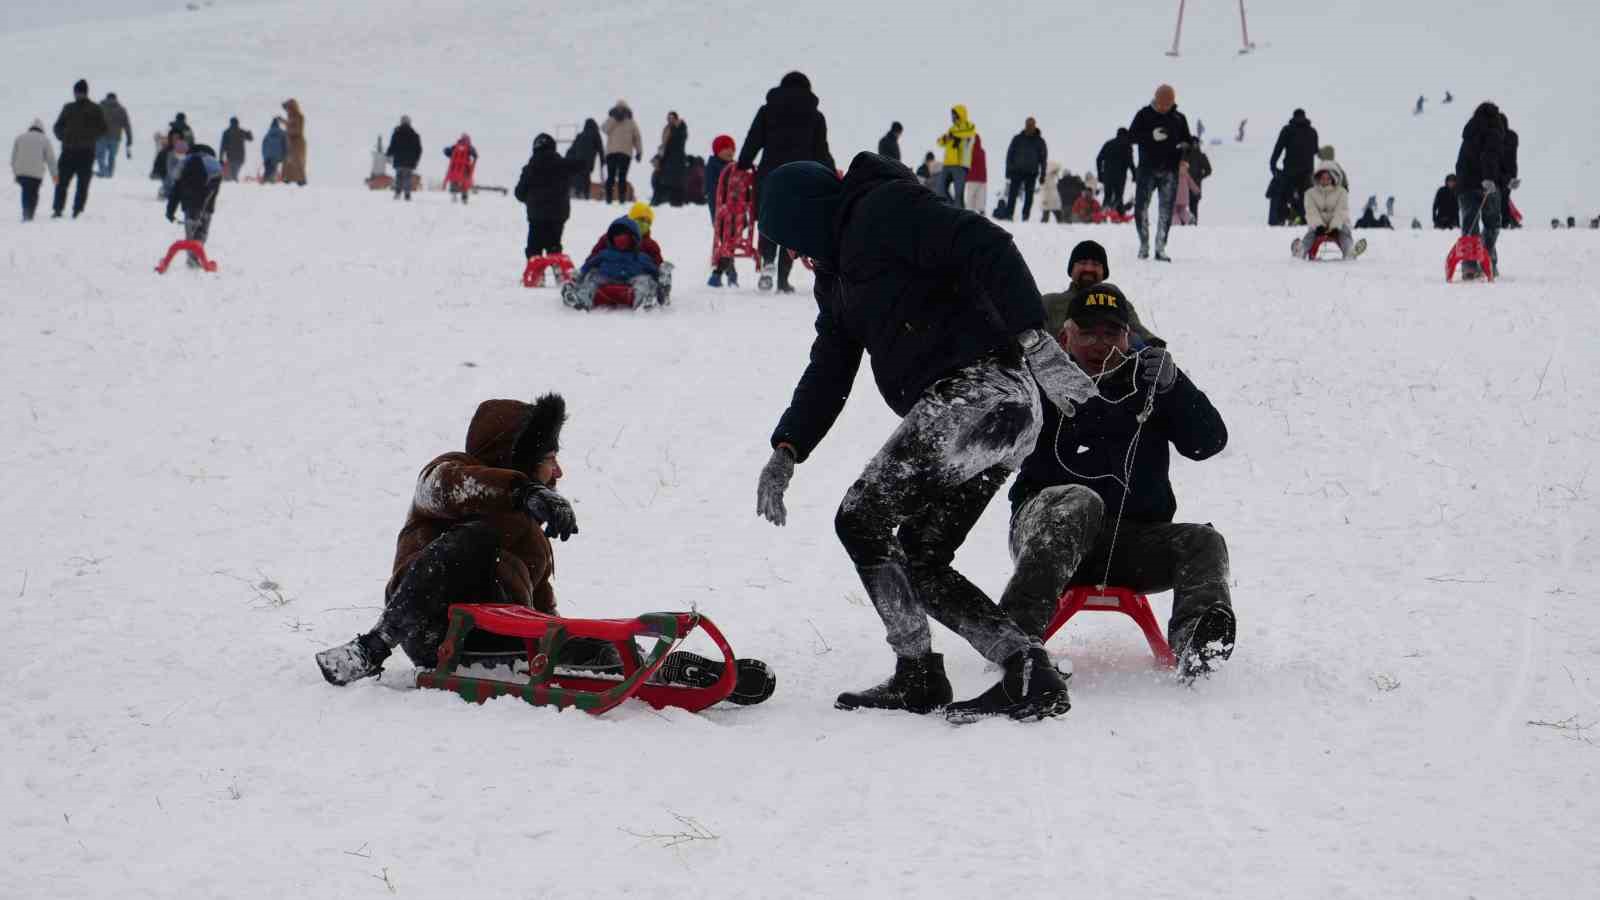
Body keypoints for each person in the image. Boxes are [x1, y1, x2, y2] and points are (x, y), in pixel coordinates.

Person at [752, 153, 1100, 724]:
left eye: (791, 240)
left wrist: (1035, 340)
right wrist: (787, 447)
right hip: (990, 414)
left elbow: (986, 244)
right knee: (920, 558)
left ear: (807, 217)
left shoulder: (884, 208)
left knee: (861, 519)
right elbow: (829, 367)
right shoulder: (835, 279)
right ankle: (1025, 669)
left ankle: (917, 671)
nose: (793, 254)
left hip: (984, 392)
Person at [314, 395, 776, 702]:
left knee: (581, 641)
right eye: (549, 460)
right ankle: (372, 648)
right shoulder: (447, 477)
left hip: (489, 639)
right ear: (515, 461)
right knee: (477, 540)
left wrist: (568, 640)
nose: (559, 472)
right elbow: (454, 486)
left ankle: (668, 673)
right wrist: (522, 490)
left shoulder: (528, 533)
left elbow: (540, 610)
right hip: (428, 627)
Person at [1004, 281, 1234, 679]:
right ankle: (1013, 641)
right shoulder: (1040, 383)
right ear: (1065, 337)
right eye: (1088, 333)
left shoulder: (1151, 386)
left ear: (1129, 339)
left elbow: (1209, 443)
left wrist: (1176, 388)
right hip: (1045, 536)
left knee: (1204, 541)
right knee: (1079, 502)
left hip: (1131, 545)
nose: (1100, 344)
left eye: (1111, 333)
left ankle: (1198, 645)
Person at [737, 71, 835, 294]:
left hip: (770, 174)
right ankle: (783, 278)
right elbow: (821, 151)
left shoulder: (767, 111)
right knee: (792, 224)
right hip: (801, 177)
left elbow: (753, 139)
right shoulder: (815, 116)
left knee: (770, 217)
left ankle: (767, 262)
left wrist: (743, 163)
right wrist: (831, 173)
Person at [1039, 240, 1159, 344]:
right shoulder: (1050, 303)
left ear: (1103, 272)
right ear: (1072, 269)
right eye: (1082, 263)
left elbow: (1138, 331)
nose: (1089, 268)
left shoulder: (1115, 301)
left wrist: (1153, 345)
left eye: (1095, 264)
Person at [1127, 85, 1192, 260]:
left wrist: (1184, 155)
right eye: (1161, 103)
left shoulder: (1179, 119)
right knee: (1141, 208)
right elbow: (1130, 137)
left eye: (1167, 104)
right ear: (1155, 99)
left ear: (1173, 102)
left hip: (1170, 170)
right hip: (1147, 170)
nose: (1164, 107)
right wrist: (1151, 136)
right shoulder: (1144, 115)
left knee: (1166, 211)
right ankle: (1144, 245)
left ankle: (1160, 247)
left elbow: (1188, 141)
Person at [562, 216, 664, 311]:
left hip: (632, 278)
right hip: (607, 277)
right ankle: (582, 300)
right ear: (611, 238)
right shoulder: (605, 253)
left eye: (624, 234)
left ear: (633, 237)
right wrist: (580, 274)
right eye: (617, 235)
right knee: (592, 278)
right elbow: (590, 264)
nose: (620, 238)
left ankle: (643, 302)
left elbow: (653, 270)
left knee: (644, 281)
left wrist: (660, 281)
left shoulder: (640, 256)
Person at [1454, 101, 1507, 277]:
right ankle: (1487, 261)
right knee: (1492, 223)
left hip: (1465, 185)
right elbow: (1489, 155)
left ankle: (1469, 266)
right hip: (1485, 185)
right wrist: (1489, 178)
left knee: (1470, 224)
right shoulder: (1493, 129)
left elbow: (1461, 162)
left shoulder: (1469, 132)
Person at [514, 133, 585, 259]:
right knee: (554, 246)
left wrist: (530, 199)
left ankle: (535, 268)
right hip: (558, 215)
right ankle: (558, 266)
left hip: (537, 216)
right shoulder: (563, 164)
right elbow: (580, 165)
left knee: (534, 248)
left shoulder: (530, 168)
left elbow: (519, 193)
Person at [51, 79, 107, 219]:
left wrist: (90, 136)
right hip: (69, 151)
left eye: (79, 92)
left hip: (85, 152)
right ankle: (58, 209)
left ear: (84, 92)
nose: (77, 94)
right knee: (62, 182)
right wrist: (63, 136)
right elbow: (57, 126)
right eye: (76, 92)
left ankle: (77, 210)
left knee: (82, 184)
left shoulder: (94, 109)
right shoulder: (68, 107)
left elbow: (103, 128)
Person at [165, 143, 223, 264]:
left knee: (191, 233)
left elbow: (176, 189)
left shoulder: (186, 162)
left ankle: (193, 258)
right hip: (206, 206)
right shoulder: (213, 164)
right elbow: (213, 191)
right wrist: (205, 206)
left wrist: (170, 210)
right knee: (201, 233)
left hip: (189, 205)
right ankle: (195, 256)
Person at [1298, 161, 1367, 259]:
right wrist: (1318, 226)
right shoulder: (1309, 194)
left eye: (1328, 178)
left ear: (1333, 178)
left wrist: (1335, 227)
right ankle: (1301, 251)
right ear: (1318, 178)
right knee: (1311, 235)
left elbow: (1341, 210)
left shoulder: (1342, 192)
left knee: (1344, 233)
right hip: (1319, 225)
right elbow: (1311, 212)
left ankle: (1349, 251)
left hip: (1338, 225)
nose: (1325, 181)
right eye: (1322, 178)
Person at [1269, 109, 1319, 225]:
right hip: (1307, 173)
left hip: (1289, 172)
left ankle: (1280, 220)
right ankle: (1303, 221)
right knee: (1304, 200)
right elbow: (1315, 150)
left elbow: (1278, 148)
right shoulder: (1312, 131)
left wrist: (1273, 165)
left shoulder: (1287, 130)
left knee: (1282, 196)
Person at [705, 135, 739, 287]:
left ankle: (723, 274)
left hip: (736, 211)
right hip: (721, 212)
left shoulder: (734, 166)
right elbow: (713, 190)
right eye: (725, 148)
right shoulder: (713, 166)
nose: (730, 151)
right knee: (727, 241)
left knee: (728, 242)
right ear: (717, 150)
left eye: (732, 148)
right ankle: (724, 273)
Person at [11, 118, 57, 222]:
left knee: (25, 192)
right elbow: (51, 160)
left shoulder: (20, 138)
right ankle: (29, 213)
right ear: (41, 129)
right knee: (33, 193)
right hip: (36, 174)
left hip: (21, 173)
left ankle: (26, 213)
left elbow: (13, 159)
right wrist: (55, 175)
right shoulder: (45, 140)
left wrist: (16, 173)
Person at [1003, 117, 1048, 222]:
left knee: (1029, 196)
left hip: (1031, 173)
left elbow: (1043, 159)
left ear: (1035, 126)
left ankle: (1025, 215)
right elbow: (1010, 155)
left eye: (1031, 125)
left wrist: (1043, 175)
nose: (1029, 127)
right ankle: (1009, 214)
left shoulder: (1040, 141)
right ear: (1025, 125)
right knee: (1012, 194)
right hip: (1016, 171)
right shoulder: (1017, 139)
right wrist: (1008, 170)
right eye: (1028, 125)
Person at [600, 100, 643, 204]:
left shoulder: (631, 122)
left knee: (621, 177)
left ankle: (621, 199)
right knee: (611, 176)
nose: (620, 111)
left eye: (622, 109)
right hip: (613, 152)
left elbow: (637, 138)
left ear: (626, 110)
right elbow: (604, 129)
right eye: (618, 109)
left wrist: (639, 152)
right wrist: (614, 119)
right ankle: (609, 198)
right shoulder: (611, 119)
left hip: (624, 153)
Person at [934, 104, 977, 209]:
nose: (952, 117)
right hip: (947, 163)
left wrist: (954, 136)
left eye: (954, 115)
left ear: (960, 115)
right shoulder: (951, 129)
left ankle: (960, 212)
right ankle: (952, 208)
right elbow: (940, 142)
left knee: (959, 194)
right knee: (940, 189)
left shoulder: (969, 125)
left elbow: (969, 132)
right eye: (952, 115)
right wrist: (946, 138)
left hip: (960, 164)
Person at [1095, 127, 1134, 215]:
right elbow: (1130, 162)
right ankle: (1113, 212)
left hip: (1107, 174)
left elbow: (1099, 159)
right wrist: (1134, 174)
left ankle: (1106, 213)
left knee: (1107, 196)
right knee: (1118, 196)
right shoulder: (1127, 145)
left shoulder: (1108, 143)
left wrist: (1100, 174)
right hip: (1120, 175)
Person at [657, 111, 689, 206]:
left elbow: (680, 140)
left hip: (678, 158)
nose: (670, 120)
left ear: (676, 118)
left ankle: (678, 202)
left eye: (672, 118)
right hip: (668, 158)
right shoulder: (667, 129)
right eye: (668, 118)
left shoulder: (681, 127)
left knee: (677, 181)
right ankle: (669, 200)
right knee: (668, 181)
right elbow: (665, 143)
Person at [386, 115, 421, 200]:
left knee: (399, 176)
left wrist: (388, 154)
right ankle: (407, 194)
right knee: (408, 177)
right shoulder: (414, 134)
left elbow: (392, 145)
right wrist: (416, 159)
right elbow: (418, 149)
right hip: (410, 160)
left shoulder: (397, 133)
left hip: (399, 159)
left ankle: (397, 193)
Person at [96, 92, 131, 177]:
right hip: (115, 137)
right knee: (111, 157)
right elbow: (126, 125)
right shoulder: (121, 109)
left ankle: (104, 172)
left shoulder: (99, 107)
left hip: (101, 136)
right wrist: (129, 138)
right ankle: (109, 173)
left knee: (100, 155)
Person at [1180, 143, 1212, 223]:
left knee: (1181, 208)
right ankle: (1192, 225)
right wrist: (1200, 177)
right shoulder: (1200, 155)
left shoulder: (1183, 154)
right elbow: (1208, 170)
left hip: (1182, 186)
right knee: (1193, 207)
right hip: (1194, 185)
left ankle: (1182, 225)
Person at [442, 134, 478, 203]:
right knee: (465, 181)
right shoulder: (469, 147)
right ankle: (463, 196)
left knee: (454, 179)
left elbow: (448, 152)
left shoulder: (455, 146)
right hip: (464, 168)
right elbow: (474, 154)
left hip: (454, 168)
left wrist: (446, 151)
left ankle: (455, 194)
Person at [1499, 113, 1520, 229]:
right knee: (1503, 198)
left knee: (1503, 198)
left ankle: (1506, 221)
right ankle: (1508, 221)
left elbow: (1508, 155)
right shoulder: (1512, 136)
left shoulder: (1509, 136)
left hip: (1506, 174)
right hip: (1510, 173)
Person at [280, 99, 307, 186]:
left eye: (288, 108)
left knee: (297, 162)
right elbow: (290, 126)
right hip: (290, 143)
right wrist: (284, 122)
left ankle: (301, 181)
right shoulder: (290, 117)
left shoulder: (299, 116)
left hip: (298, 143)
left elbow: (298, 130)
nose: (287, 110)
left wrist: (287, 130)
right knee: (287, 162)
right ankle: (286, 180)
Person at [219, 117, 253, 182]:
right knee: (233, 174)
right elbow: (250, 139)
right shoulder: (241, 131)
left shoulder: (227, 132)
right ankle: (235, 183)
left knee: (232, 175)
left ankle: (235, 184)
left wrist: (221, 158)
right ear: (237, 123)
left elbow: (222, 147)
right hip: (240, 158)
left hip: (231, 158)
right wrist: (249, 133)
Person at [964, 132, 988, 215]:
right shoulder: (982, 152)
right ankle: (981, 211)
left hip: (972, 178)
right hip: (982, 179)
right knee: (980, 196)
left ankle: (969, 212)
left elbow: (966, 164)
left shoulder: (969, 151)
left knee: (970, 197)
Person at [261, 118, 286, 183]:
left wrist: (264, 156)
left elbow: (263, 145)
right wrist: (284, 156)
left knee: (268, 169)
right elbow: (285, 144)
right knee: (273, 169)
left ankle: (265, 181)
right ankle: (270, 181)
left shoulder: (268, 134)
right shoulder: (282, 133)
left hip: (268, 156)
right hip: (276, 156)